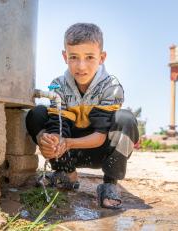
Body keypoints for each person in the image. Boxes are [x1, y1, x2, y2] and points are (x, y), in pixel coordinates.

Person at [26, 23, 139, 209]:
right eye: (73, 57)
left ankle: (110, 184)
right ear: (65, 57)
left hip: (101, 150)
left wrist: (67, 143)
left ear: (102, 58)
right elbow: (58, 128)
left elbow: (101, 135)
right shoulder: (58, 86)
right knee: (36, 113)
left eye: (89, 57)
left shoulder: (111, 87)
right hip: (69, 152)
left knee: (125, 118)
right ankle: (66, 173)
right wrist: (50, 142)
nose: (81, 66)